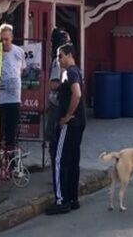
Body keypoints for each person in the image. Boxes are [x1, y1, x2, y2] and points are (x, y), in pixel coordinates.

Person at [46, 44, 86, 215]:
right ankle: (73, 198)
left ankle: (61, 201)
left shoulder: (71, 72)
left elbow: (76, 94)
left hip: (69, 124)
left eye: (60, 55)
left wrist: (67, 116)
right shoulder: (72, 72)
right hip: (78, 123)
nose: (58, 59)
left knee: (59, 160)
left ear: (70, 55)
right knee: (72, 161)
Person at [46, 28, 71, 174]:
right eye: (67, 41)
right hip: (57, 102)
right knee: (55, 136)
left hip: (62, 103)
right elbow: (53, 83)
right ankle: (56, 167)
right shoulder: (58, 61)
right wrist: (68, 85)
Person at [0, 23, 25, 151]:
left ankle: (10, 165)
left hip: (14, 99)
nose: (4, 42)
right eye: (1, 39)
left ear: (12, 38)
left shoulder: (19, 51)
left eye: (6, 39)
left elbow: (21, 70)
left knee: (11, 134)